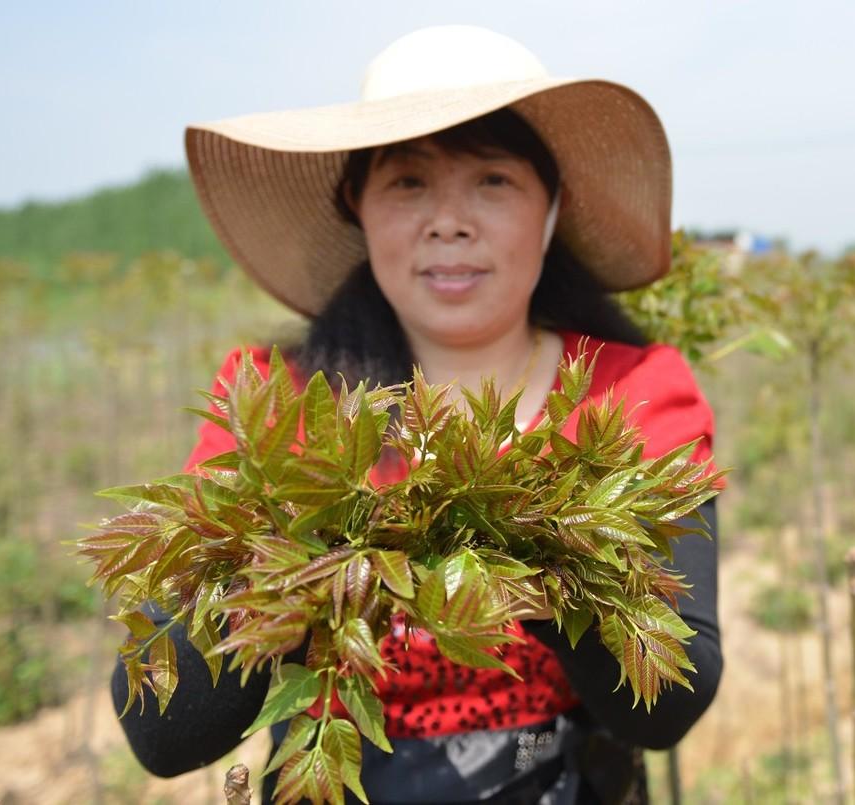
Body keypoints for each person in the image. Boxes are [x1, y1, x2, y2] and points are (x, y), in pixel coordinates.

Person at [110, 25, 723, 804]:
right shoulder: (273, 404)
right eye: (408, 182)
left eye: (493, 181)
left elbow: (673, 699)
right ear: (356, 207)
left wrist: (533, 550)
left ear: (551, 209)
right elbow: (159, 731)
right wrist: (306, 560)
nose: (449, 221)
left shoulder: (634, 394)